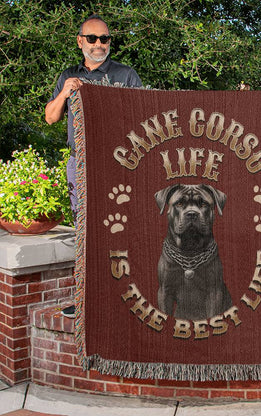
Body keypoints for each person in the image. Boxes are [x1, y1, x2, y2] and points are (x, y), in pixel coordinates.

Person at [45, 14, 142, 318]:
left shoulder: (126, 76)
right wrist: (65, 92)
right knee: (84, 231)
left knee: (121, 229)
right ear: (80, 41)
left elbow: (142, 118)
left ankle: (123, 300)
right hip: (81, 164)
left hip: (117, 164)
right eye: (93, 38)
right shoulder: (68, 76)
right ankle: (86, 301)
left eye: (105, 39)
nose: (99, 44)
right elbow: (50, 117)